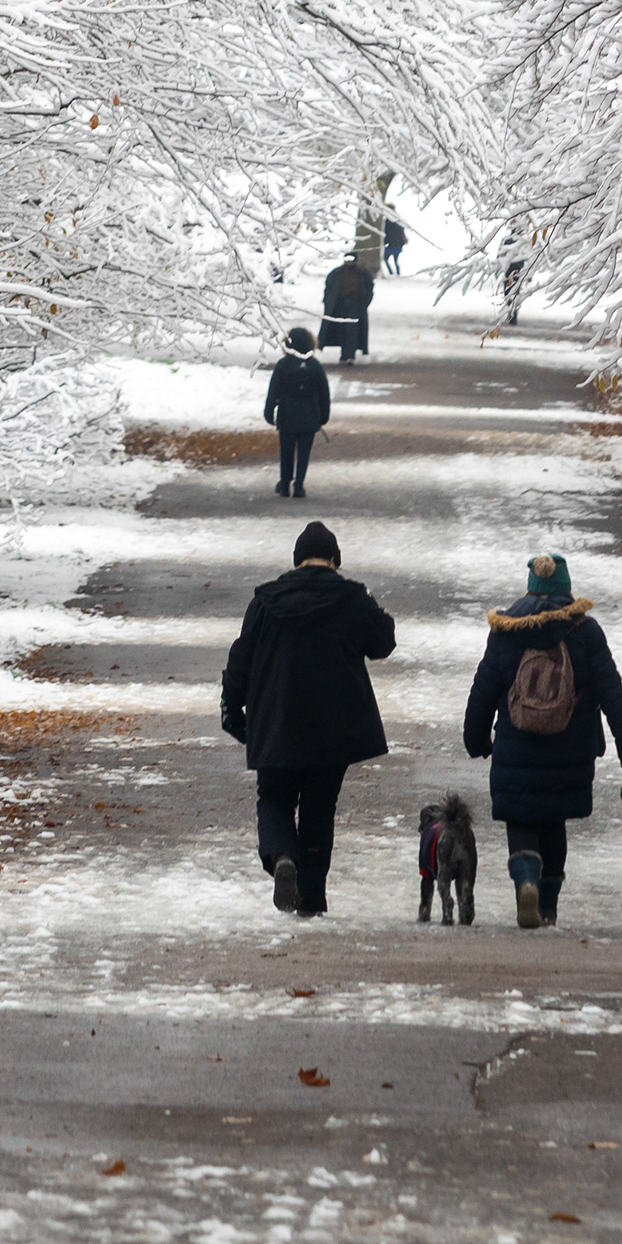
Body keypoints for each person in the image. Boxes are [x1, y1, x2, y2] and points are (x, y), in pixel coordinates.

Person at [220, 520, 397, 915]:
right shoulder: (351, 598)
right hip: (334, 728)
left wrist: (232, 708)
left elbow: (240, 658)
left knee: (275, 799)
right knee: (320, 808)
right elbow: (383, 642)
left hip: (276, 721)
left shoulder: (265, 601)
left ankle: (282, 856)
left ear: (297, 560)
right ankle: (312, 900)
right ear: (335, 560)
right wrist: (369, 601)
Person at [461, 552, 622, 928]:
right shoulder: (586, 632)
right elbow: (613, 691)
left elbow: (483, 690)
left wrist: (476, 738)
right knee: (553, 819)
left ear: (531, 588)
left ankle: (525, 878)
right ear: (566, 588)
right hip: (571, 748)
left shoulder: (506, 630)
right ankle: (546, 906)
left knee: (521, 817)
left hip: (516, 744)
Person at [262, 327, 332, 497]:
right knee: (303, 453)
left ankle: (284, 483)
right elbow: (324, 394)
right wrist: (323, 416)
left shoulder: (283, 365)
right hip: (309, 417)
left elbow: (273, 391)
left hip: (287, 416)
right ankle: (299, 485)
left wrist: (269, 412)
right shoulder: (315, 366)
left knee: (286, 452)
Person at [320, 252, 376, 361]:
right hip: (339, 305)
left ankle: (349, 354)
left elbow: (369, 289)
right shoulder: (336, 274)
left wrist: (363, 303)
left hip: (355, 305)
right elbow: (329, 289)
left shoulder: (362, 274)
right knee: (341, 330)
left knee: (352, 330)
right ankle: (345, 354)